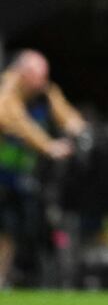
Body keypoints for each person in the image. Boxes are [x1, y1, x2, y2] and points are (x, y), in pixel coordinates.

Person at [0, 50, 85, 287]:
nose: (42, 82)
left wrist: (79, 128)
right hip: (3, 175)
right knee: (6, 229)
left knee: (24, 228)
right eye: (37, 76)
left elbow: (65, 113)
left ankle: (14, 277)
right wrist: (48, 146)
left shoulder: (44, 92)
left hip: (21, 176)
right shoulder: (6, 90)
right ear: (22, 74)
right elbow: (16, 121)